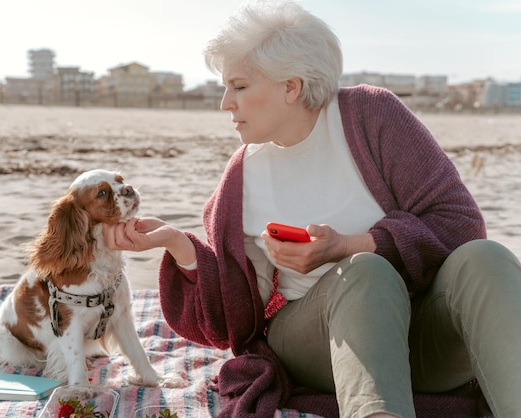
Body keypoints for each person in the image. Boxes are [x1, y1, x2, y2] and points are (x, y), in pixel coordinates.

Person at [102, 1, 521, 417]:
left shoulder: (371, 117)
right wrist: (179, 245)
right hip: (316, 344)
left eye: (240, 86)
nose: (226, 102)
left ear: (291, 86)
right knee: (364, 272)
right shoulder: (243, 176)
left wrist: (352, 244)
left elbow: (461, 226)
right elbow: (234, 317)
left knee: (486, 257)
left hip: (423, 340)